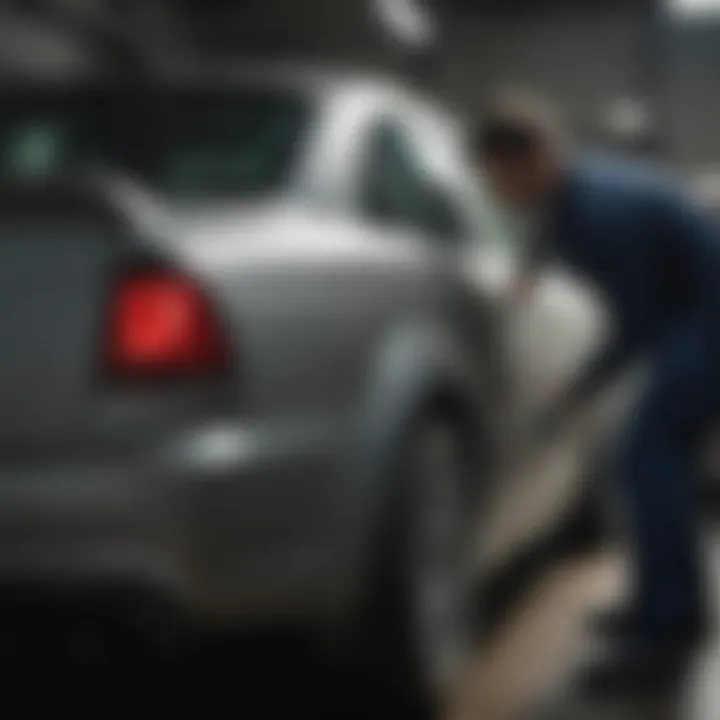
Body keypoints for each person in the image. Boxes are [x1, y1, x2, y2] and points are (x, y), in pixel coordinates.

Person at [475, 91, 713, 696]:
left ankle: (665, 636)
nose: (498, 196)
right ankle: (670, 605)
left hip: (707, 320)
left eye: (499, 181)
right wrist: (526, 276)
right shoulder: (572, 200)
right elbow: (549, 241)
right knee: (640, 461)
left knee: (648, 458)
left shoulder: (600, 215)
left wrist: (579, 388)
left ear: (531, 161)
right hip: (692, 314)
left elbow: (640, 326)